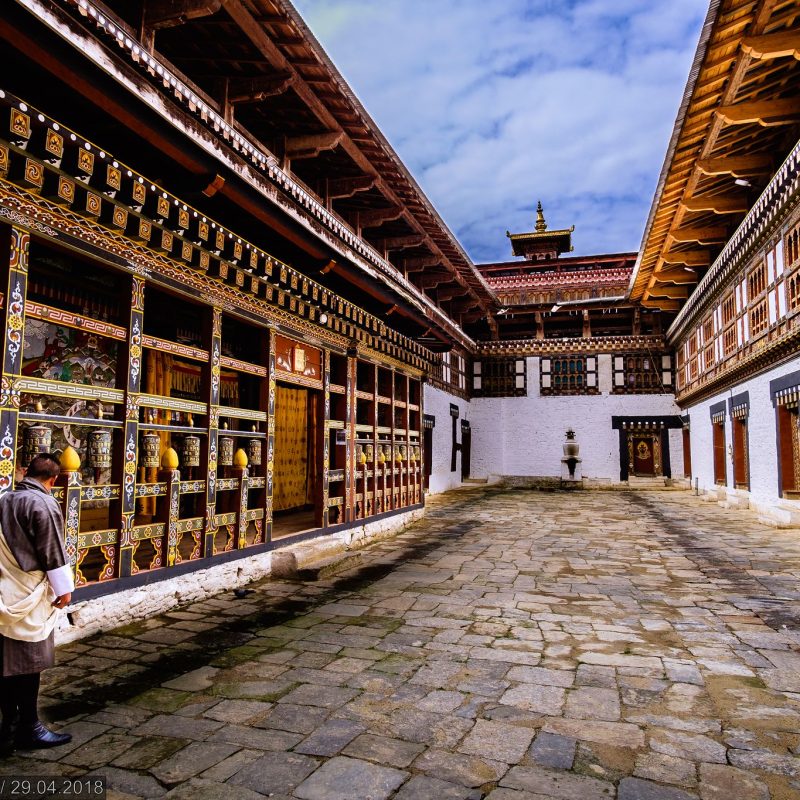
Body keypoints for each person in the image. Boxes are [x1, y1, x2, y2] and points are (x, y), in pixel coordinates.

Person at [0, 453, 74, 754]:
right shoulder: (43, 503)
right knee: (29, 664)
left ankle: (9, 727)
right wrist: (64, 589)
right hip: (29, 595)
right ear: (53, 480)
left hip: (6, 589)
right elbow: (52, 550)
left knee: (5, 665)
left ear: (26, 472)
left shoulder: (4, 499)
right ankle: (29, 728)